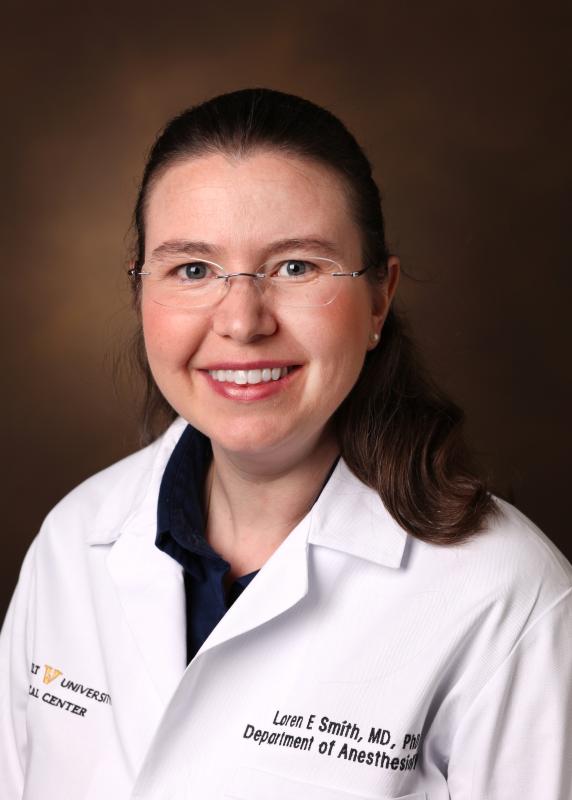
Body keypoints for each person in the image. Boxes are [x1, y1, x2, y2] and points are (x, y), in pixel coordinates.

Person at [1, 88, 570, 800]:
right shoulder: (72, 541)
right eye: (193, 269)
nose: (242, 322)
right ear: (141, 293)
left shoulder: (509, 598)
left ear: (379, 299)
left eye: (296, 266)